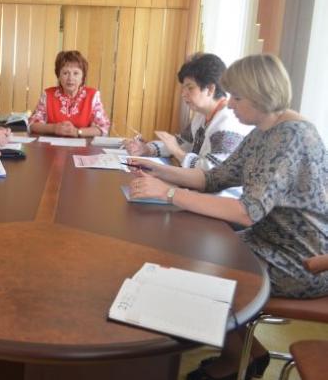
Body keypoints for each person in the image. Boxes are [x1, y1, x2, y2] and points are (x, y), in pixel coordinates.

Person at [127, 54, 328, 380]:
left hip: (300, 259)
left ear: (261, 96)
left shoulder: (291, 138)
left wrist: (169, 193)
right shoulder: (264, 130)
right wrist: (160, 170)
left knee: (201, 266)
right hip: (267, 241)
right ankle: (248, 352)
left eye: (237, 97)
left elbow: (246, 212)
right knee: (189, 249)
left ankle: (237, 358)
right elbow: (214, 178)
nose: (230, 104)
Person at [124, 53, 252, 170]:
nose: (183, 94)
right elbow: (182, 143)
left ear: (210, 89)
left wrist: (177, 152)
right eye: (183, 88)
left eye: (190, 88)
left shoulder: (227, 123)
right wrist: (147, 149)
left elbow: (214, 171)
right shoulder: (201, 115)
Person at [28, 50, 111, 138]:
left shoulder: (92, 96)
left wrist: (78, 132)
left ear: (82, 77)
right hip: (52, 145)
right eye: (65, 73)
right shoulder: (48, 95)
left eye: (76, 73)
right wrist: (54, 128)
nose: (70, 78)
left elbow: (103, 127)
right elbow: (32, 124)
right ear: (59, 76)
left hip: (83, 146)